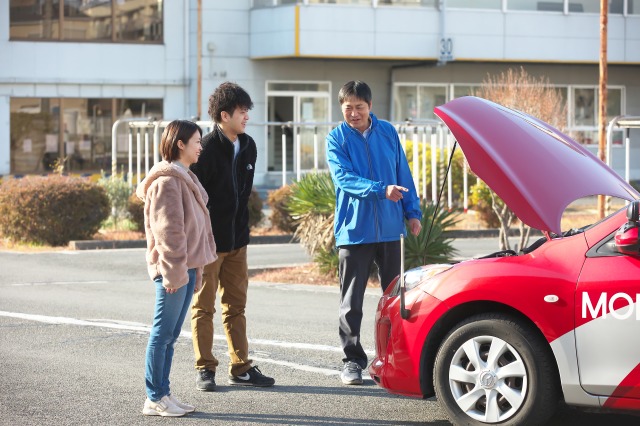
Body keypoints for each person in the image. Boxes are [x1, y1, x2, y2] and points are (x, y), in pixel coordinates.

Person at [326, 80, 422, 385]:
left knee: (394, 300)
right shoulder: (336, 138)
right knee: (351, 302)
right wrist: (382, 190)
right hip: (354, 232)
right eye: (348, 108)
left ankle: (393, 359)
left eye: (359, 107)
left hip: (391, 229)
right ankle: (352, 360)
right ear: (341, 107)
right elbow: (344, 179)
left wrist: (412, 212)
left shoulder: (388, 132)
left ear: (370, 107)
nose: (354, 113)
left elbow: (402, 172)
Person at [190, 81, 275, 390]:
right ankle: (205, 368)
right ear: (224, 115)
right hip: (209, 244)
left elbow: (242, 194)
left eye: (247, 111)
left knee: (236, 307)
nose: (247, 116)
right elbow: (196, 197)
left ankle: (240, 367)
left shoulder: (249, 145)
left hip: (238, 242)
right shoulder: (206, 148)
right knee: (203, 307)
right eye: (242, 111)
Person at [137, 120, 218, 416]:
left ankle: (164, 393)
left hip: (186, 269)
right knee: (162, 334)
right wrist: (174, 273)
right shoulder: (167, 182)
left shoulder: (185, 177)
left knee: (170, 336)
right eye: (197, 141)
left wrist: (195, 270)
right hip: (173, 270)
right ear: (180, 144)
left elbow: (193, 230)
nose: (201, 146)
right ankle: (155, 397)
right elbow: (168, 232)